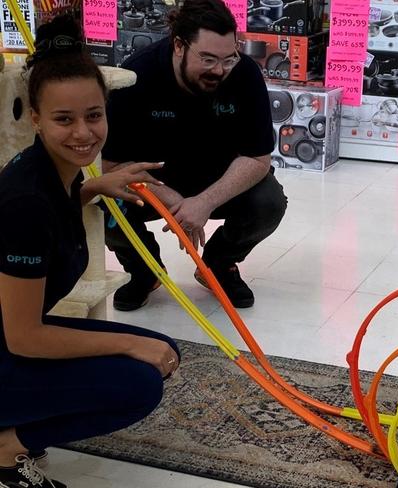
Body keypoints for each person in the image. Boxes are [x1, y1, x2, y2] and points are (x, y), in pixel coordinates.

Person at [0, 16, 180, 488]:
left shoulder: (53, 170)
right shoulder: (26, 199)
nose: (83, 132)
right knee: (138, 382)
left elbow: (50, 216)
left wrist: (96, 186)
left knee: (163, 353)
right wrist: (127, 340)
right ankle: (5, 450)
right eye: (64, 119)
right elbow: (24, 338)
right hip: (10, 341)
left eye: (94, 115)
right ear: (35, 118)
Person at [101, 0, 287, 311]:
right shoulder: (137, 75)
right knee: (102, 204)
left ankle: (218, 263)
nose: (219, 71)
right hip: (151, 183)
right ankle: (144, 271)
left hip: (217, 178)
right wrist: (169, 198)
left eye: (228, 59)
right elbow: (110, 166)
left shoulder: (244, 75)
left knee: (269, 201)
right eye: (209, 59)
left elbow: (257, 159)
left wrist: (204, 202)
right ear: (178, 46)